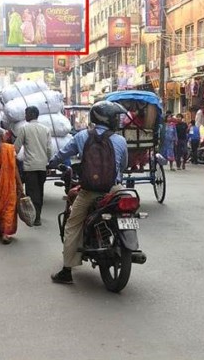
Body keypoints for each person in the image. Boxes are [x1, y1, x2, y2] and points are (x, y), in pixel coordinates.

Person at [48, 101, 128, 284]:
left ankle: (67, 271)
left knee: (72, 225)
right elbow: (123, 165)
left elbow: (63, 154)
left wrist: (51, 164)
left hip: (90, 191)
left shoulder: (82, 136)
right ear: (107, 119)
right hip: (114, 190)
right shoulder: (120, 140)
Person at [13, 106, 53, 226]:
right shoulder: (46, 129)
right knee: (40, 191)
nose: (25, 116)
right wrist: (48, 163)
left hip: (30, 166)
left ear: (31, 114)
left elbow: (16, 147)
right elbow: (49, 149)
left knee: (31, 191)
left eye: (26, 114)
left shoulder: (24, 129)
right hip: (42, 165)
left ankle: (35, 217)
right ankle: (38, 214)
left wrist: (11, 157)